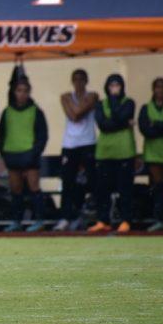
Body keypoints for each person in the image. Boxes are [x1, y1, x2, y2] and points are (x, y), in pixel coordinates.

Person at [0, 77, 48, 232]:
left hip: (30, 156)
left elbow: (42, 136)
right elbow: (1, 134)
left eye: (25, 91)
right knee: (16, 190)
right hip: (13, 155)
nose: (22, 94)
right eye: (19, 90)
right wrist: (4, 153)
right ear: (14, 92)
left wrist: (34, 153)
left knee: (34, 188)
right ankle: (16, 221)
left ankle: (40, 220)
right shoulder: (7, 112)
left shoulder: (36, 111)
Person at [88, 74, 136, 234]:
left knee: (125, 189)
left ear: (122, 87)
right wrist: (121, 123)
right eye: (111, 86)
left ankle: (126, 220)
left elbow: (120, 116)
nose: (114, 88)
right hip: (105, 153)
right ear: (106, 87)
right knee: (102, 190)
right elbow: (103, 125)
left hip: (124, 152)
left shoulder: (129, 103)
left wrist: (115, 102)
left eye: (117, 85)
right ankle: (103, 220)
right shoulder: (100, 104)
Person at [54, 69, 98, 231]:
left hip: (88, 143)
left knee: (92, 182)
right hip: (70, 144)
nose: (79, 82)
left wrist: (76, 108)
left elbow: (76, 113)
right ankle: (65, 217)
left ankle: (94, 215)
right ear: (72, 81)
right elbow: (74, 116)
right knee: (67, 182)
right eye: (76, 79)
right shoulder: (65, 96)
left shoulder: (93, 95)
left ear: (86, 81)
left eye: (82, 79)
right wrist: (79, 107)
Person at [139, 76, 163, 231]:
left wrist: (156, 124)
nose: (160, 90)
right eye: (158, 87)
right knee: (158, 186)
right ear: (153, 89)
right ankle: (159, 219)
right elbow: (145, 129)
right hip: (153, 153)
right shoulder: (146, 108)